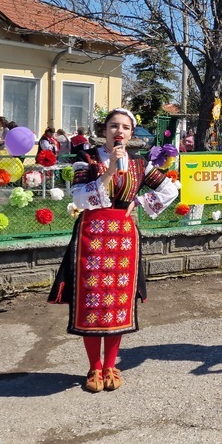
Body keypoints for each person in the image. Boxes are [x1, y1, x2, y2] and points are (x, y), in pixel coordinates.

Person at [48, 108, 179, 393]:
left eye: (125, 128)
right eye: (113, 126)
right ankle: (94, 367)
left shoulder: (140, 165)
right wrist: (108, 172)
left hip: (123, 239)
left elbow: (171, 190)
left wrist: (141, 202)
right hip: (91, 239)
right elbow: (81, 199)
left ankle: (110, 365)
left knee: (118, 303)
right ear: (104, 130)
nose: (119, 132)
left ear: (131, 133)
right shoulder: (86, 160)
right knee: (93, 303)